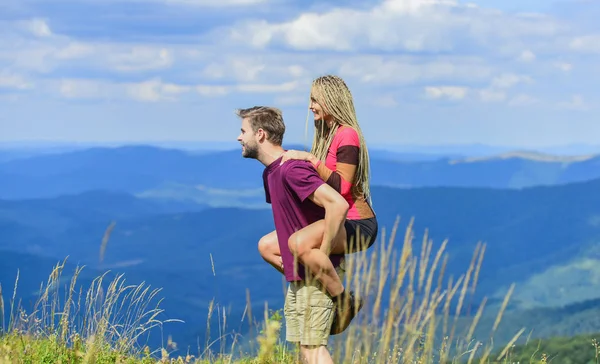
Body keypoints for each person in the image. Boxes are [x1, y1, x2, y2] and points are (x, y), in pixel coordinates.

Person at [236, 106, 360, 364]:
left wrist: (322, 256)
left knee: (313, 348)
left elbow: (338, 205)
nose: (239, 137)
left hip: (317, 271)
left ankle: (343, 298)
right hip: (301, 273)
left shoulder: (291, 169)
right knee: (306, 348)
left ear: (260, 134)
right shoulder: (271, 173)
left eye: (243, 131)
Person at [257, 74, 378, 329]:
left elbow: (342, 187)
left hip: (358, 223)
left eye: (314, 100)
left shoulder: (347, 135)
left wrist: (310, 160)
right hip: (337, 220)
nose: (310, 106)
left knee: (297, 243)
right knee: (267, 246)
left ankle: (343, 300)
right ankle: (319, 281)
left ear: (330, 100)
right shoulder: (328, 135)